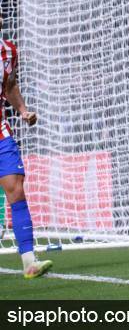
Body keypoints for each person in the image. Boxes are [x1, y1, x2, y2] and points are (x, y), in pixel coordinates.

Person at [0, 37, 53, 279]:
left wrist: (22, 110)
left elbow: (9, 85)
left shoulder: (9, 51)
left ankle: (29, 261)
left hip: (1, 132)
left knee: (16, 188)